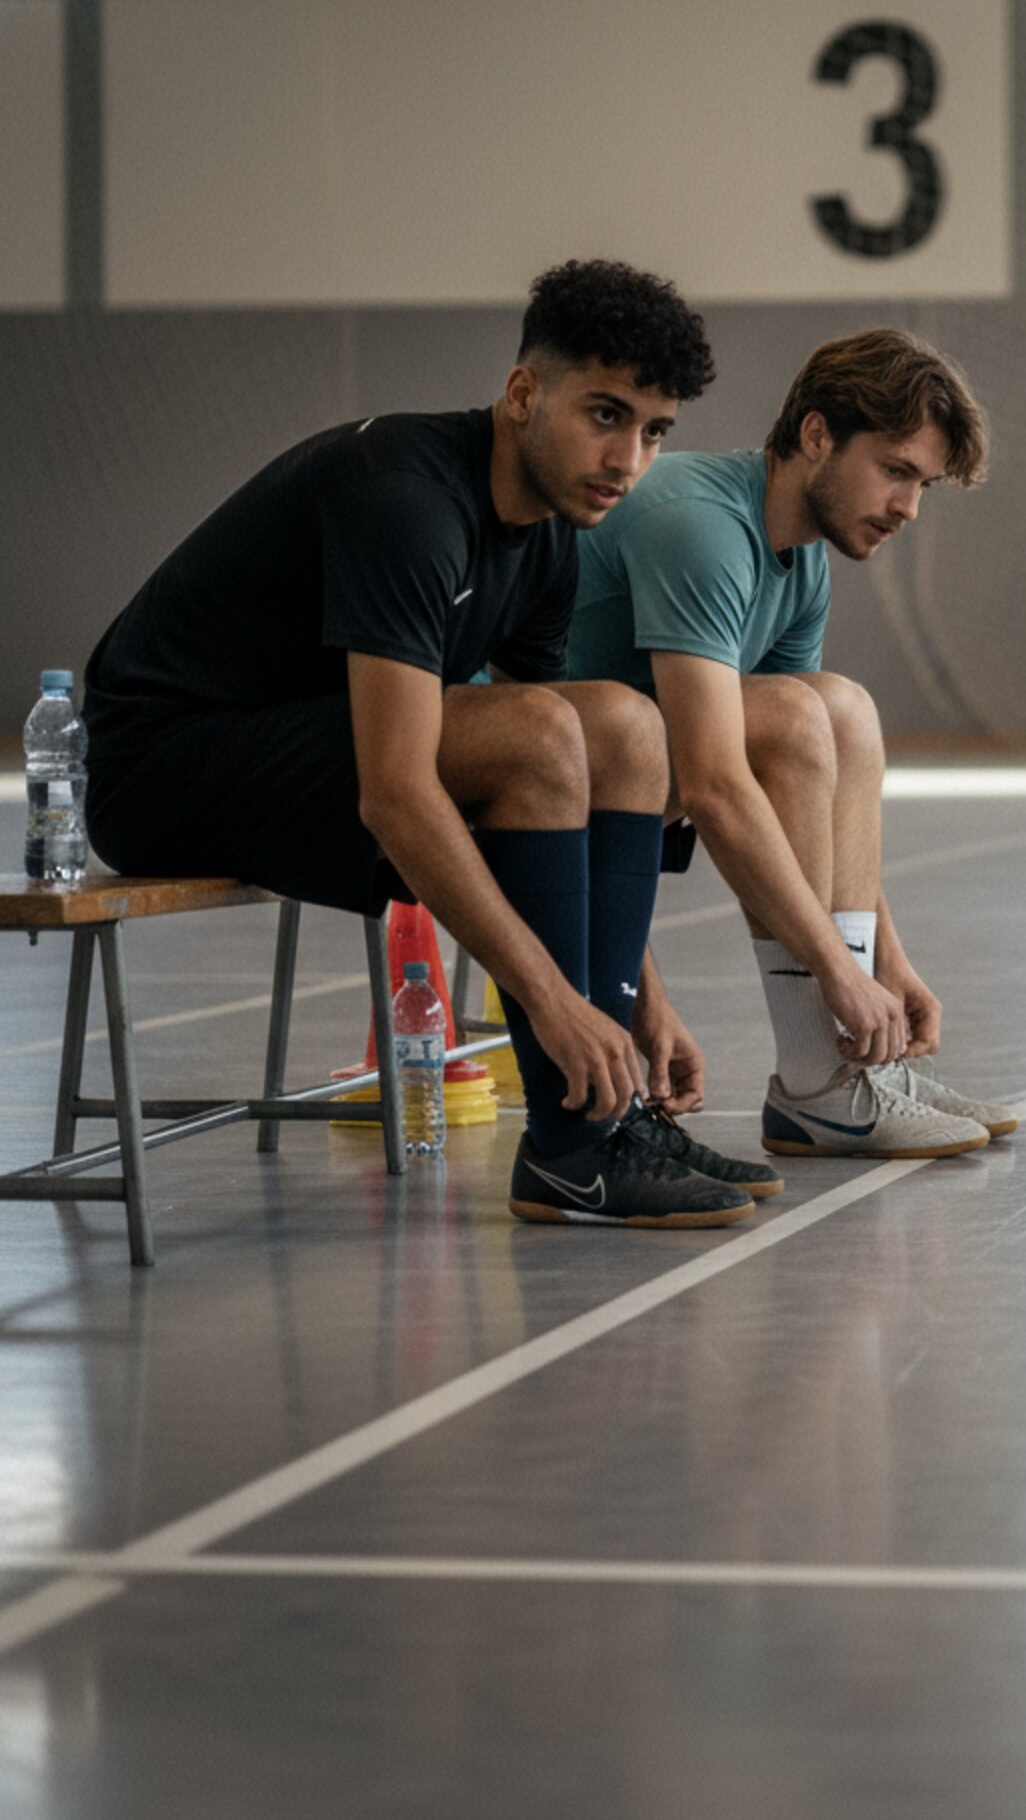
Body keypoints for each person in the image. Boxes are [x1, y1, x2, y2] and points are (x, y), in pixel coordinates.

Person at [83, 259, 776, 1230]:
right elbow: (397, 793)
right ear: (523, 391)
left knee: (625, 726)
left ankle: (607, 1122)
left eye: (654, 432)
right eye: (605, 413)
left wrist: (632, 1001)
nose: (628, 459)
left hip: (291, 752)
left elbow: (574, 779)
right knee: (538, 733)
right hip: (159, 767)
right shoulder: (404, 497)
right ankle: (572, 1147)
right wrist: (548, 1001)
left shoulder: (547, 540)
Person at [565, 327, 1019, 1158]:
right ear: (816, 436)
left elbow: (809, 773)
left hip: (631, 760)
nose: (908, 508)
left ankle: (851, 1072)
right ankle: (819, 1078)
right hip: (537, 764)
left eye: (923, 485)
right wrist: (841, 975)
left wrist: (889, 962)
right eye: (894, 470)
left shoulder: (799, 560)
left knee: (839, 708)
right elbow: (714, 786)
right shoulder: (702, 525)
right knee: (802, 714)